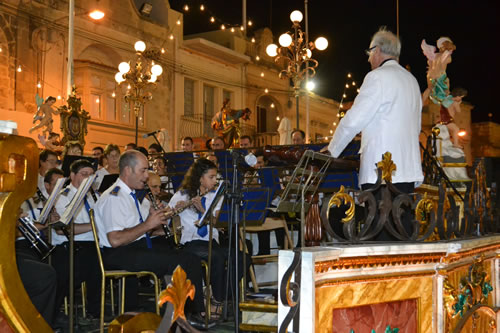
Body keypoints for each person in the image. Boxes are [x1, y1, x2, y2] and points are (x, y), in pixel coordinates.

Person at [326, 27, 423, 241]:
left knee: (381, 234)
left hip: (382, 171)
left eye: (369, 53)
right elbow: (416, 127)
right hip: (406, 170)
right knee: (402, 232)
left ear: (377, 50)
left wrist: (332, 149)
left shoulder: (377, 77)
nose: (369, 58)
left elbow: (354, 119)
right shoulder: (412, 81)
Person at [93, 150, 207, 325]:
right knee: (183, 261)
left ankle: (177, 316)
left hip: (134, 248)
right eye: (143, 171)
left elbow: (134, 230)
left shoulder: (129, 194)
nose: (147, 176)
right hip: (118, 253)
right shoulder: (114, 197)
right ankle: (187, 316)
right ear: (127, 171)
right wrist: (147, 224)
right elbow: (115, 240)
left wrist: (154, 220)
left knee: (184, 257)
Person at [168, 158, 249, 317]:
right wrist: (173, 211)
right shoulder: (181, 195)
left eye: (215, 177)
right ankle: (216, 302)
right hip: (191, 243)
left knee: (242, 258)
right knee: (216, 256)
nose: (215, 181)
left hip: (211, 241)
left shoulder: (216, 197)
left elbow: (217, 222)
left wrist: (202, 209)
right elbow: (165, 218)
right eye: (211, 177)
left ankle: (218, 298)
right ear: (200, 178)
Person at [51, 159, 101, 320]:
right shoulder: (62, 197)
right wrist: (95, 226)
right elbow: (63, 229)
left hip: (94, 244)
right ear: (72, 175)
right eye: (84, 174)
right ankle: (54, 313)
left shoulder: (95, 196)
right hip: (70, 245)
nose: (88, 178)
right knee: (90, 265)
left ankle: (95, 312)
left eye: (91, 175)